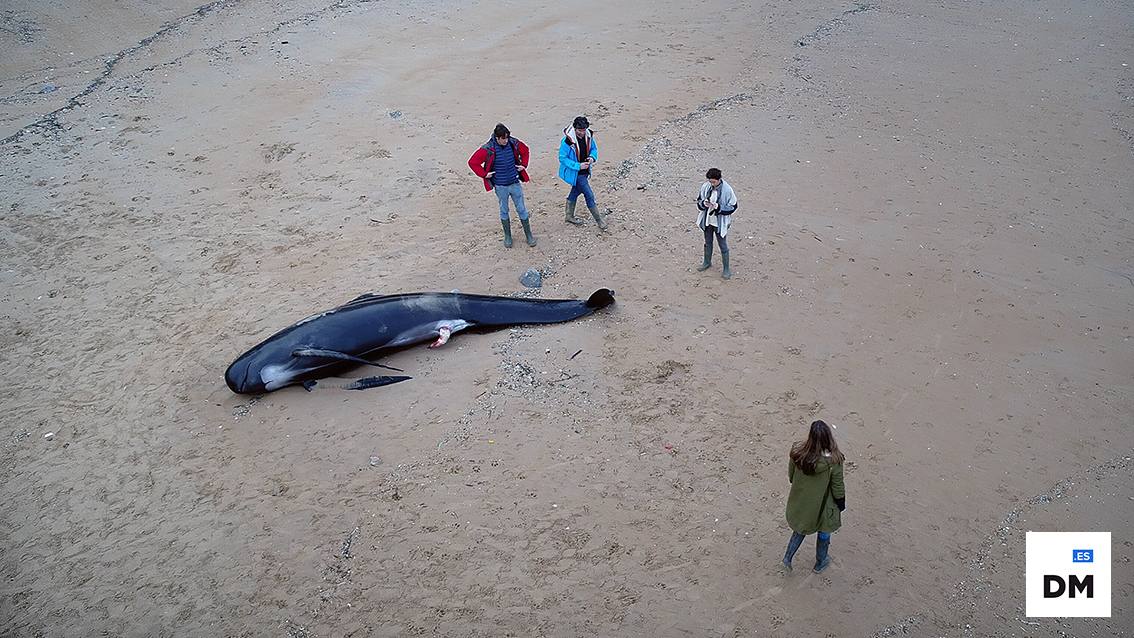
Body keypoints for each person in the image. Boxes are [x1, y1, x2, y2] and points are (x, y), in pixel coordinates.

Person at [782, 420, 847, 573]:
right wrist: (841, 502)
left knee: (800, 529)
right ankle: (820, 562)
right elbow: (837, 486)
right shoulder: (834, 461)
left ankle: (787, 559)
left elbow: (791, 476)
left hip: (804, 502)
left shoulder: (797, 452)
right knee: (824, 532)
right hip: (825, 503)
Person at [468, 123, 536, 248]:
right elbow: (472, 162)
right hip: (500, 186)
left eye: (507, 138)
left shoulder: (512, 142)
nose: (506, 141)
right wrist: (484, 174)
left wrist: (524, 165)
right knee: (504, 210)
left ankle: (529, 235)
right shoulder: (488, 148)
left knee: (521, 209)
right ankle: (508, 236)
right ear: (497, 138)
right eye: (503, 139)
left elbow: (525, 150)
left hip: (514, 183)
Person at [558, 115, 607, 230]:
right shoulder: (567, 141)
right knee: (589, 195)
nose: (582, 133)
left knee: (575, 192)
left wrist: (592, 157)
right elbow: (562, 158)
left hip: (585, 171)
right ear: (575, 129)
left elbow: (594, 149)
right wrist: (578, 166)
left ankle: (569, 216)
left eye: (584, 130)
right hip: (576, 173)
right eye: (580, 130)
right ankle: (599, 220)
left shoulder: (589, 136)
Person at [695, 168, 738, 279]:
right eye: (710, 181)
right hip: (708, 221)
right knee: (707, 242)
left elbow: (733, 207)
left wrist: (719, 208)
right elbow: (699, 201)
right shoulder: (705, 187)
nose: (712, 184)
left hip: (720, 223)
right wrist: (704, 204)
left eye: (714, 182)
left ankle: (726, 269)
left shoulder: (727, 190)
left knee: (722, 245)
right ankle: (707, 262)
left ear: (719, 179)